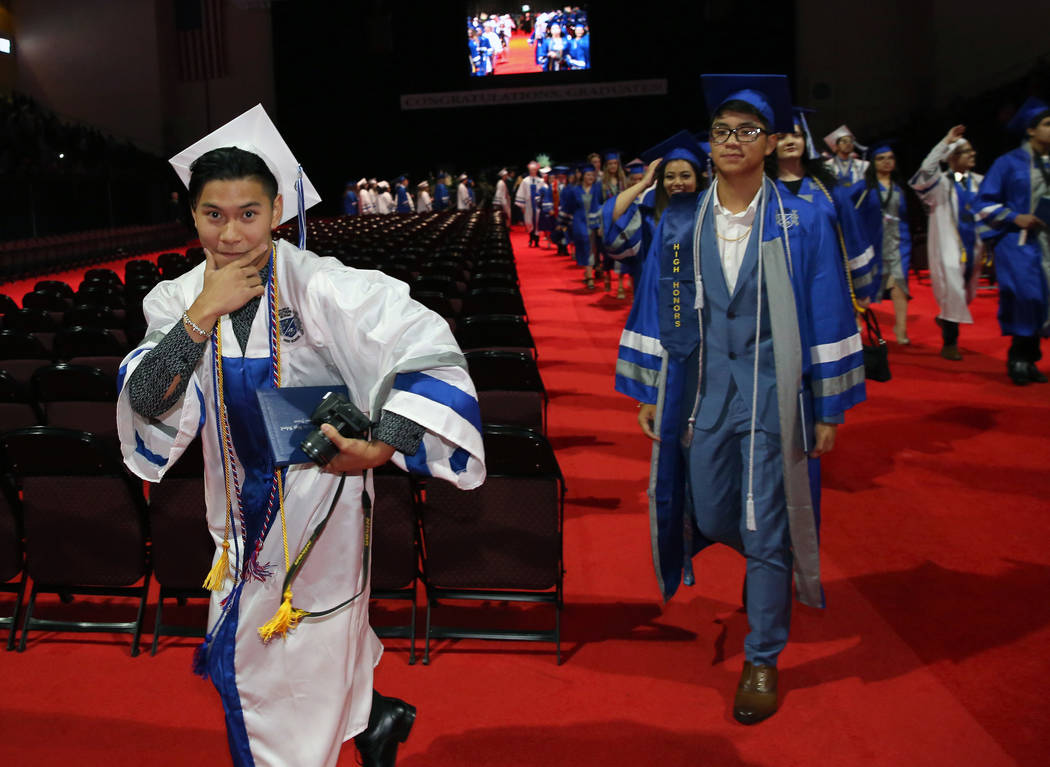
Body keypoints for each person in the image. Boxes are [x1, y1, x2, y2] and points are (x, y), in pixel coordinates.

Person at [117, 106, 485, 767]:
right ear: (192, 214)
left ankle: (341, 731)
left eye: (249, 213)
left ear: (278, 208)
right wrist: (202, 313)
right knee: (275, 669)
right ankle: (374, 719)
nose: (231, 233)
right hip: (233, 520)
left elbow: (423, 343)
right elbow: (146, 397)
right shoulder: (175, 299)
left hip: (322, 514)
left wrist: (384, 441)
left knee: (275, 678)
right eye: (213, 214)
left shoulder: (320, 285)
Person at [615, 75, 864, 725]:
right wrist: (647, 386)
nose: (731, 142)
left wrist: (829, 405)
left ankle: (762, 653)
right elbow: (652, 299)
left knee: (765, 524)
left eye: (746, 131)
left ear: (773, 141)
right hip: (701, 393)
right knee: (714, 503)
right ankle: (755, 562)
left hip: (772, 391)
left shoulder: (801, 218)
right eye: (721, 132)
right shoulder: (680, 220)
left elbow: (828, 304)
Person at [975, 96, 1050, 385]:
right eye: (1046, 124)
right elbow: (983, 202)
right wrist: (1013, 216)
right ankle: (1017, 357)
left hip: (1046, 240)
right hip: (1018, 241)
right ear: (1030, 130)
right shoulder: (1007, 163)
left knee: (1043, 300)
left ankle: (1031, 359)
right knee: (1025, 297)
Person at [772, 109, 877, 308]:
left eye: (796, 135)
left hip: (829, 284)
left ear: (806, 140)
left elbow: (852, 234)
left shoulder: (828, 187)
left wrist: (861, 286)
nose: (790, 141)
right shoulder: (763, 191)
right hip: (782, 290)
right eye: (781, 137)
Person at [910, 124, 985, 360]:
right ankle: (950, 341)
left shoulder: (981, 182)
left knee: (967, 293)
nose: (973, 154)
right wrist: (945, 142)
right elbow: (926, 168)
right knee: (952, 288)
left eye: (973, 151)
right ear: (952, 158)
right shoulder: (939, 184)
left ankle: (945, 320)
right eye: (966, 151)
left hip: (975, 245)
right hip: (948, 244)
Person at [603, 131, 706, 291]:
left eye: (685, 176)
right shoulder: (650, 219)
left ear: (697, 180)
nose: (677, 182)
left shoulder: (709, 216)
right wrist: (644, 182)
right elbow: (611, 215)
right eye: (670, 176)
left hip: (697, 304)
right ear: (661, 181)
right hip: (656, 300)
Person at [851, 141, 912, 344]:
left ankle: (901, 328)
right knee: (865, 285)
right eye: (881, 158)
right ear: (873, 163)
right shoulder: (864, 188)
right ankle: (857, 319)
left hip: (897, 244)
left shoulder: (899, 189)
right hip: (872, 244)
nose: (887, 162)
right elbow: (848, 211)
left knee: (900, 286)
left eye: (890, 158)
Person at [559, 163, 603, 288]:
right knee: (585, 246)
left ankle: (589, 273)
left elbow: (601, 204)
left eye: (592, 175)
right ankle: (589, 275)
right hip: (579, 222)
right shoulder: (575, 190)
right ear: (583, 176)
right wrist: (562, 222)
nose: (591, 177)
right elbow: (568, 207)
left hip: (594, 222)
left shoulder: (597, 189)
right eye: (588, 175)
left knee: (592, 248)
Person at [515, 160, 546, 246]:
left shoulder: (541, 181)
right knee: (529, 221)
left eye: (534, 170)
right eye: (531, 170)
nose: (533, 171)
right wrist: (522, 206)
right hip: (528, 205)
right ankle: (531, 238)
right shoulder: (525, 181)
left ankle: (536, 240)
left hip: (537, 205)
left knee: (537, 222)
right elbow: (522, 193)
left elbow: (544, 192)